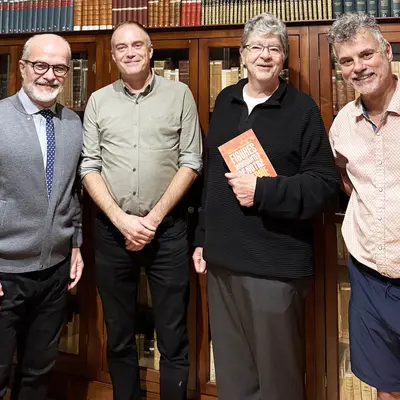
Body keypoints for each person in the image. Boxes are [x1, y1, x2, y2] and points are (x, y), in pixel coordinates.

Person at [193, 13, 339, 400]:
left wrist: (263, 191)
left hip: (274, 270)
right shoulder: (225, 101)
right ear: (242, 55)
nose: (264, 55)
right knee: (233, 379)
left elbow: (325, 186)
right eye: (256, 47)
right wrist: (202, 239)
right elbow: (212, 175)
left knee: (278, 384)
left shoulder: (302, 109)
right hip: (222, 264)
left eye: (274, 49)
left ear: (284, 59)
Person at [79, 21, 202, 400]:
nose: (129, 52)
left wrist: (151, 220)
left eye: (137, 45)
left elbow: (191, 161)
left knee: (173, 334)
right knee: (118, 333)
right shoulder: (99, 101)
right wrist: (121, 219)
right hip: (113, 233)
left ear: (150, 52)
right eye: (121, 47)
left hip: (167, 232)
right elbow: (89, 166)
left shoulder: (180, 95)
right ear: (113, 55)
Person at [0, 34, 84, 400]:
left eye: (59, 68)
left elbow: (73, 193)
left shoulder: (73, 124)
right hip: (5, 274)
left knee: (38, 373)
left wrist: (76, 244)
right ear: (22, 68)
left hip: (55, 274)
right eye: (40, 65)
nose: (50, 75)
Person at [328, 13, 400, 400]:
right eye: (346, 60)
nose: (358, 67)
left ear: (387, 52)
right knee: (384, 387)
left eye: (366, 54)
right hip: (369, 276)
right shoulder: (342, 124)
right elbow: (344, 176)